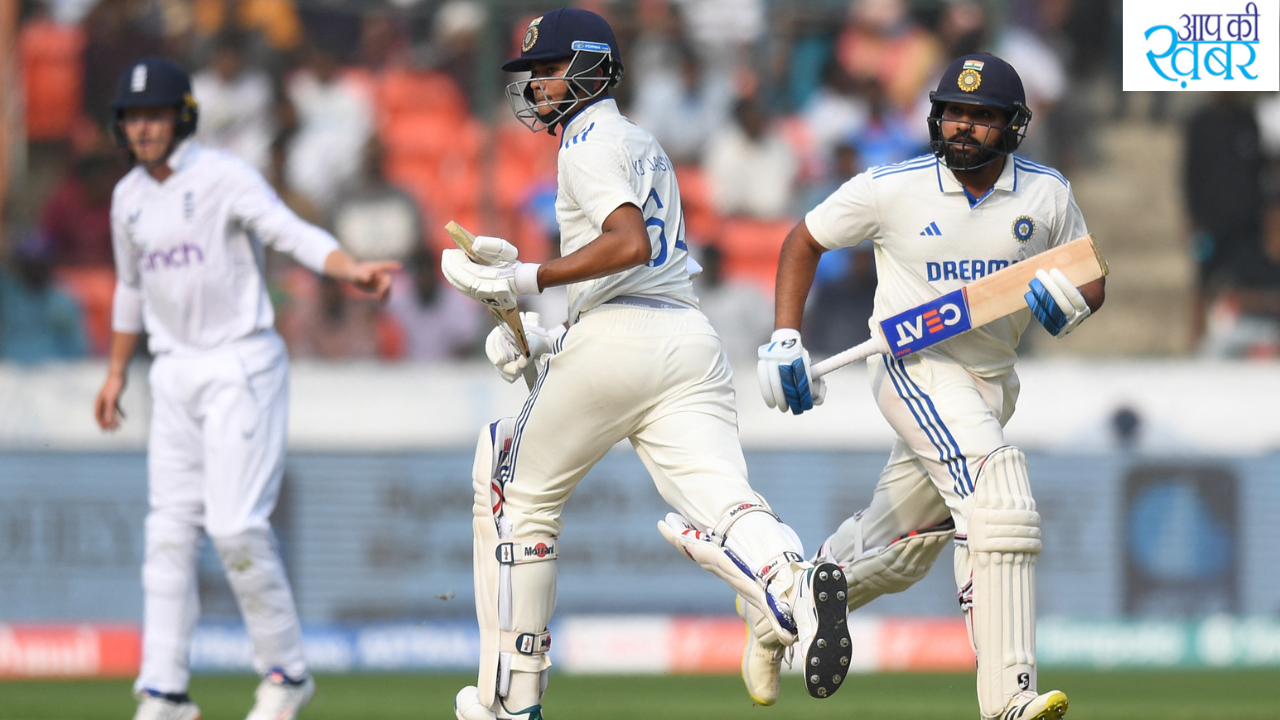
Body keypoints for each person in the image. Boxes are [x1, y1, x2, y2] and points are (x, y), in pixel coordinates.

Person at [441, 10, 852, 720]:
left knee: (510, 481)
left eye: (549, 70)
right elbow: (639, 271)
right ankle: (793, 586)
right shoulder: (642, 140)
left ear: (592, 68)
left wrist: (525, 279)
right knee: (724, 499)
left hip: (620, 337)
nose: (536, 86)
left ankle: (511, 697)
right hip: (686, 339)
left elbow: (628, 244)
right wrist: (545, 337)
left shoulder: (585, 142)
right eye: (532, 74)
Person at [749, 54, 1104, 720]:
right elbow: (804, 240)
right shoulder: (893, 187)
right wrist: (787, 336)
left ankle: (779, 609)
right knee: (997, 494)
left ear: (1014, 126)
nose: (964, 126)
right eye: (954, 113)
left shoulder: (1046, 194)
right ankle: (1008, 697)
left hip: (991, 383)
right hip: (912, 366)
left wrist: (1072, 303)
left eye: (982, 116)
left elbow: (1088, 275)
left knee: (905, 546)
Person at [92, 57, 397, 720]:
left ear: (183, 118)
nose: (142, 129)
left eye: (154, 116)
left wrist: (348, 268)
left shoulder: (223, 177)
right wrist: (116, 372)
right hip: (171, 372)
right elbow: (129, 289)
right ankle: (164, 692)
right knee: (168, 533)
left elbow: (288, 231)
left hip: (240, 362)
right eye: (132, 118)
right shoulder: (127, 199)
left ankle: (286, 674)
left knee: (234, 528)